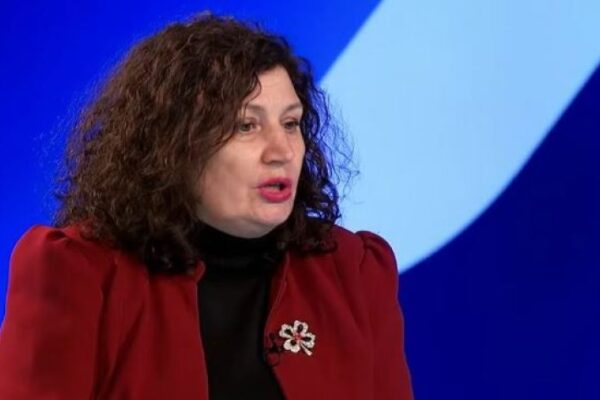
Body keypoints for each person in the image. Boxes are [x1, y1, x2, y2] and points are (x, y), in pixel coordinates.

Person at [0, 13, 413, 399]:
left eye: (290, 123)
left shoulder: (354, 270)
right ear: (174, 145)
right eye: (246, 125)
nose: (282, 151)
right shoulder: (79, 271)